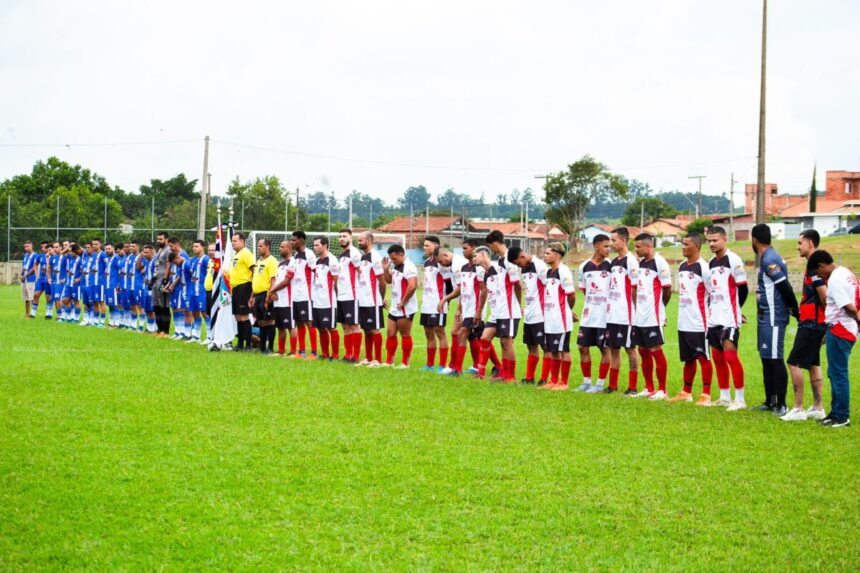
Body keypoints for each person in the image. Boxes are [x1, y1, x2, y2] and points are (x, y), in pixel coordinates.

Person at [806, 250, 859, 428]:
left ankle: (842, 416)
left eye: (818, 272)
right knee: (834, 373)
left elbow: (848, 306)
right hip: (842, 328)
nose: (819, 276)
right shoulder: (846, 272)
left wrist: (858, 319)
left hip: (841, 329)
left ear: (822, 265)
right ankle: (835, 413)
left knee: (838, 374)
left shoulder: (835, 279)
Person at [751, 223, 799, 415]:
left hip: (773, 316)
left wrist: (795, 310)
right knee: (766, 358)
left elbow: (785, 287)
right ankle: (769, 401)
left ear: (754, 240)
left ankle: (781, 404)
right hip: (765, 317)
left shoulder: (769, 259)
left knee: (775, 359)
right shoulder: (767, 257)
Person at [436, 239, 500, 376]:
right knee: (480, 338)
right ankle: (498, 366)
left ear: (474, 249)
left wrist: (479, 311)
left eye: (465, 248)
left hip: (475, 310)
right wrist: (459, 308)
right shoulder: (465, 267)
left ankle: (456, 370)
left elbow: (483, 290)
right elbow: (464, 290)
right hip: (467, 309)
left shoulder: (479, 269)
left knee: (462, 334)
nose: (463, 251)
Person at [783, 230, 827, 421]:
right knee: (813, 363)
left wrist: (826, 323)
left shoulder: (815, 266)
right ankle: (818, 407)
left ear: (810, 243)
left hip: (812, 324)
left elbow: (824, 296)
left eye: (800, 243)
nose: (797, 246)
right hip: (814, 322)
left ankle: (798, 408)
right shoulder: (815, 264)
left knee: (793, 362)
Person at [706, 226, 749, 411]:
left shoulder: (734, 260)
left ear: (725, 239)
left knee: (730, 355)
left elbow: (744, 289)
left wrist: (737, 310)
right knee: (717, 357)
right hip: (714, 316)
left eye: (715, 240)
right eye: (709, 241)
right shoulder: (711, 262)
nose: (712, 244)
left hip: (729, 318)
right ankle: (724, 396)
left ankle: (740, 399)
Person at [669, 233, 714, 404]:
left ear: (696, 246)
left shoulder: (704, 267)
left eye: (686, 244)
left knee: (703, 357)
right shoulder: (681, 266)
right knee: (688, 359)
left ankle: (706, 395)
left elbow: (712, 292)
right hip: (683, 320)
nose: (683, 247)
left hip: (699, 322)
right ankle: (686, 392)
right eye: (682, 244)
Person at [630, 233, 672, 399]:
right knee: (643, 351)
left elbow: (667, 289)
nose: (636, 249)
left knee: (655, 350)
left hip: (653, 316)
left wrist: (660, 308)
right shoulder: (641, 263)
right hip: (640, 316)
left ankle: (662, 390)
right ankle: (649, 387)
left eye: (638, 246)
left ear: (648, 246)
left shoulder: (660, 263)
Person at [479, 230, 522, 382]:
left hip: (509, 310)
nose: (491, 250)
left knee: (507, 342)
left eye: (491, 247)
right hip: (501, 310)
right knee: (503, 342)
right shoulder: (501, 261)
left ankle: (511, 376)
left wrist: (519, 305)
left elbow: (517, 285)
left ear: (495, 244)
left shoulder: (509, 260)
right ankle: (505, 373)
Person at [507, 246, 551, 385]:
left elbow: (549, 287)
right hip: (529, 313)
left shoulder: (540, 266)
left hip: (541, 314)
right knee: (531, 346)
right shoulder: (525, 267)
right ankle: (529, 378)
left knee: (545, 347)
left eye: (518, 263)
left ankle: (544, 379)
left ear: (522, 257)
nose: (518, 267)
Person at [604, 227, 639, 394]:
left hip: (626, 315)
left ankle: (632, 387)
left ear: (624, 240)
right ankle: (612, 385)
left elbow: (635, 287)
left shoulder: (631, 261)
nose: (611, 244)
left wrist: (636, 310)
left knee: (630, 349)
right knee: (614, 349)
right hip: (613, 314)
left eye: (614, 240)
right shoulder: (614, 262)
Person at [577, 234, 613, 393]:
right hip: (588, 315)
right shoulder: (584, 266)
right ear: (597, 246)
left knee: (604, 349)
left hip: (605, 316)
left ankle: (599, 384)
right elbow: (584, 290)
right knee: (582, 347)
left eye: (610, 246)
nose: (608, 249)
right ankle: (586, 382)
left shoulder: (611, 266)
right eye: (606, 246)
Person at [540, 242, 577, 390]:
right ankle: (553, 381)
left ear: (557, 255)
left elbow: (571, 295)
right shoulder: (549, 272)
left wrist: (567, 310)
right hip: (550, 319)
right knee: (553, 350)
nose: (545, 255)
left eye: (548, 253)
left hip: (561, 319)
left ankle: (564, 383)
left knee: (564, 350)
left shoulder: (564, 271)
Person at [418, 236, 452, 372]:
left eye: (427, 245)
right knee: (428, 333)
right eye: (424, 245)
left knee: (440, 332)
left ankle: (442, 365)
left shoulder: (441, 263)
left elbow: (449, 284)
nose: (425, 248)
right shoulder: (427, 262)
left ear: (436, 246)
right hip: (427, 303)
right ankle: (429, 364)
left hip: (438, 304)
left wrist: (446, 301)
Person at [381, 244, 418, 368]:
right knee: (390, 333)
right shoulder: (397, 266)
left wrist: (403, 302)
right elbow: (389, 281)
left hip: (405, 307)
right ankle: (389, 361)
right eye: (391, 258)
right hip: (395, 306)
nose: (392, 261)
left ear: (402, 255)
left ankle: (405, 363)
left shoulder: (409, 267)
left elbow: (412, 286)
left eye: (395, 258)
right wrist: (386, 270)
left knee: (405, 334)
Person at [355, 231, 386, 366]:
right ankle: (368, 358)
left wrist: (381, 298)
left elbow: (382, 281)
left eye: (361, 240)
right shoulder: (363, 257)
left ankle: (377, 360)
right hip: (362, 300)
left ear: (368, 241)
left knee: (374, 329)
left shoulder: (375, 257)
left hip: (373, 301)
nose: (359, 242)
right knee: (366, 329)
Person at [289, 231, 318, 358]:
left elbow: (316, 272)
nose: (291, 242)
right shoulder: (296, 255)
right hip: (296, 295)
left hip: (306, 295)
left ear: (301, 240)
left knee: (309, 322)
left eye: (294, 240)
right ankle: (301, 352)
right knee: (299, 323)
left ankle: (314, 352)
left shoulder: (309, 254)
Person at [311, 236, 340, 360]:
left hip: (328, 301)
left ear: (325, 245)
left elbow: (336, 281)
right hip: (317, 301)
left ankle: (335, 354)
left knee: (331, 328)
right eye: (314, 245)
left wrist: (337, 298)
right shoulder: (317, 261)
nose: (315, 247)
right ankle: (324, 354)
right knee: (320, 328)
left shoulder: (332, 260)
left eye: (317, 245)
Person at [336, 229, 363, 362]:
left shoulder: (354, 253)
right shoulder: (342, 254)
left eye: (344, 236)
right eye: (340, 236)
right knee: (345, 326)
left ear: (351, 238)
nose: (341, 238)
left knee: (354, 325)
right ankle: (348, 355)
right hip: (341, 295)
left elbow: (361, 272)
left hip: (352, 295)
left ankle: (356, 357)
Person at [226, 232, 255, 350]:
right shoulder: (236, 255)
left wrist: (252, 291)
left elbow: (254, 270)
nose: (233, 243)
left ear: (242, 241)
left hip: (244, 287)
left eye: (235, 241)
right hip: (236, 288)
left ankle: (248, 344)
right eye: (232, 241)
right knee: (238, 316)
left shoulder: (246, 253)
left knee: (244, 316)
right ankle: (240, 344)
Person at [269, 241, 298, 357]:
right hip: (278, 301)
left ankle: (293, 351)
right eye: (280, 246)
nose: (280, 248)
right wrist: (272, 293)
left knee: (291, 326)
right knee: (280, 327)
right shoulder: (280, 264)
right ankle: (281, 351)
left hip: (288, 300)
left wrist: (272, 290)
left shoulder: (293, 262)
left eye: (282, 247)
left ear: (290, 249)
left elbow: (286, 282)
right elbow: (275, 280)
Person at [252, 238, 279, 354]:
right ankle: (262, 347)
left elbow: (273, 279)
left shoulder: (272, 261)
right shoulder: (258, 262)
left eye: (261, 246)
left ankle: (270, 348)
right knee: (261, 321)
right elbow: (255, 279)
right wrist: (252, 296)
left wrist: (270, 295)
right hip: (257, 295)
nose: (258, 248)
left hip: (265, 294)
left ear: (267, 246)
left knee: (270, 321)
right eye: (258, 246)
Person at [187, 240, 210, 342]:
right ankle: (196, 336)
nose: (194, 248)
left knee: (205, 313)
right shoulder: (193, 260)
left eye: (196, 246)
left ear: (202, 247)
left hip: (202, 290)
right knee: (194, 312)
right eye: (193, 246)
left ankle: (210, 336)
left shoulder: (206, 259)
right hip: (193, 290)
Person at [152, 232, 172, 336]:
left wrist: (165, 280)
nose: (158, 241)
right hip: (156, 280)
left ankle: (166, 331)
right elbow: (157, 265)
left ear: (166, 239)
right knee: (156, 306)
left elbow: (168, 266)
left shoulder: (168, 250)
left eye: (161, 239)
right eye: (158, 239)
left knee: (164, 306)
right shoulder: (160, 250)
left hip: (162, 281)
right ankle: (159, 330)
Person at [89, 238, 108, 327]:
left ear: (100, 245)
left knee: (101, 302)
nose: (94, 246)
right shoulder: (92, 254)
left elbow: (107, 267)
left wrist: (103, 277)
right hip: (93, 282)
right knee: (95, 302)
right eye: (93, 244)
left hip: (100, 282)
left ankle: (102, 322)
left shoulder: (103, 254)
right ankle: (96, 321)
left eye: (96, 244)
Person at [105, 242, 122, 328]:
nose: (107, 250)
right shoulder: (108, 258)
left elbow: (121, 270)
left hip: (113, 285)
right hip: (107, 285)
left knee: (115, 304)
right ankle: (111, 322)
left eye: (109, 249)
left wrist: (118, 284)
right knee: (110, 304)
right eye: (106, 249)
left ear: (113, 249)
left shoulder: (116, 258)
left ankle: (117, 323)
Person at [31, 241, 50, 319]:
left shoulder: (51, 255)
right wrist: (37, 275)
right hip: (41, 279)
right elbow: (35, 264)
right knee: (36, 295)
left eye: (45, 247)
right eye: (42, 247)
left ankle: (48, 313)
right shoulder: (40, 256)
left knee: (48, 297)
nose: (43, 248)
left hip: (49, 279)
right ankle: (33, 313)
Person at [19, 240, 38, 318]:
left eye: (27, 246)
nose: (26, 248)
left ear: (31, 246)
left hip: (31, 279)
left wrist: (25, 276)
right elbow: (23, 266)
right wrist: (20, 275)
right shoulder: (25, 255)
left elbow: (34, 268)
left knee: (32, 297)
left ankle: (33, 313)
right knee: (26, 298)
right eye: (25, 247)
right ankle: (27, 313)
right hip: (24, 280)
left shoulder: (35, 255)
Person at [45, 241, 63, 320]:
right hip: (54, 282)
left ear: (60, 247)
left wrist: (66, 278)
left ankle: (62, 315)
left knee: (59, 298)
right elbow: (49, 268)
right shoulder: (53, 258)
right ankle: (59, 315)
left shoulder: (64, 257)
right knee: (55, 299)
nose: (55, 249)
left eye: (56, 247)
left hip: (61, 282)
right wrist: (49, 277)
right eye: (54, 247)